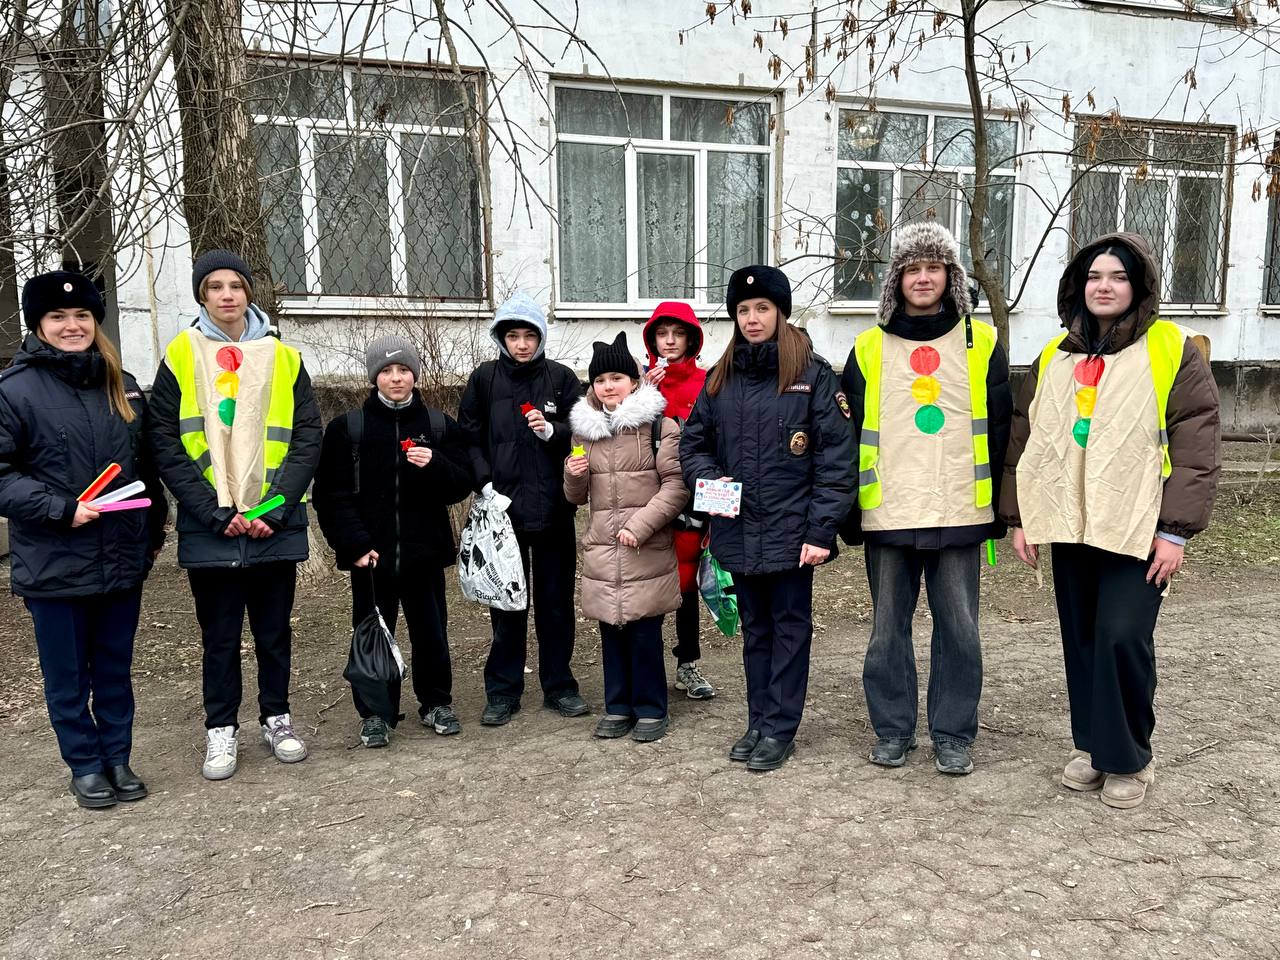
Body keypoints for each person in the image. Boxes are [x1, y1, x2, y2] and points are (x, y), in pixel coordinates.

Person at [1001, 232, 1220, 810]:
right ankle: (1094, 747)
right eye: (1095, 276)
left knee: (1122, 635)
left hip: (1136, 525)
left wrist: (1175, 531)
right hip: (1070, 522)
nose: (1104, 286)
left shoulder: (1171, 348)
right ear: (1079, 285)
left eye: (1118, 277)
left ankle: (1130, 758)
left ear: (1138, 285)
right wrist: (1021, 518)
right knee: (1082, 637)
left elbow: (1196, 442)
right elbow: (1026, 436)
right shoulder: (1056, 354)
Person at [839, 222, 1012, 776]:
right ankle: (893, 730)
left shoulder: (983, 343)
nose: (922, 278)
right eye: (911, 268)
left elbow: (1004, 429)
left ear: (950, 276)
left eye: (933, 267)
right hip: (887, 510)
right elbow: (847, 435)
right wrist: (849, 510)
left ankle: (953, 733)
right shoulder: (868, 347)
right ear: (896, 279)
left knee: (959, 629)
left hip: (962, 508)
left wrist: (1003, 509)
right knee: (886, 631)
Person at [149, 249, 322, 781]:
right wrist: (213, 512)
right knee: (219, 637)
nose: (227, 295)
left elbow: (306, 437)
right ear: (202, 296)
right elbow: (164, 438)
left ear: (249, 292)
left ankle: (277, 718)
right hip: (213, 524)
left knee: (274, 633)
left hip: (272, 523)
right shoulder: (181, 353)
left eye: (235, 285)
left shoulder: (284, 357)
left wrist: (274, 509)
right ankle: (221, 728)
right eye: (215, 286)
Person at [0, 271, 167, 808]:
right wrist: (61, 509)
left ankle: (117, 757)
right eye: (58, 317)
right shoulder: (13, 390)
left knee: (115, 670)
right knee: (68, 676)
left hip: (120, 557)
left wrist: (152, 535)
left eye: (82, 316)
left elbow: (145, 468)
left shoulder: (123, 383)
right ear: (38, 325)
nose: (72, 326)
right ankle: (86, 765)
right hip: (54, 562)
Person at [679, 265, 855, 771]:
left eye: (762, 308)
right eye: (743, 310)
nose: (752, 318)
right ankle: (758, 720)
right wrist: (711, 480)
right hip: (738, 527)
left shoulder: (813, 375)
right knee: (755, 629)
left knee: (789, 630)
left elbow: (836, 459)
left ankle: (781, 727)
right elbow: (693, 444)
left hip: (793, 533)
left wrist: (821, 530)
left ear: (780, 312)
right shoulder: (720, 379)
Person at [313, 335, 475, 748]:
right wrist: (353, 545)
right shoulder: (348, 429)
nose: (396, 378)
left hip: (425, 555)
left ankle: (436, 703)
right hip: (370, 557)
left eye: (403, 370)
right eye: (386, 371)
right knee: (372, 635)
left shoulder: (438, 426)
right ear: (374, 378)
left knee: (432, 634)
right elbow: (330, 496)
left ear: (415, 375)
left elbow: (462, 484)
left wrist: (435, 464)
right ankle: (375, 713)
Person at [457, 291, 588, 726]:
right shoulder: (484, 379)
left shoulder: (561, 378)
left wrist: (553, 431)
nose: (522, 344)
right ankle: (502, 690)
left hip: (553, 510)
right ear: (501, 338)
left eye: (529, 336)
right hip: (503, 514)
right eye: (513, 336)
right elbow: (468, 437)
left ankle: (560, 685)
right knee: (506, 603)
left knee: (555, 603)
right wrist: (484, 483)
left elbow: (582, 431)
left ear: (541, 338)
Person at [565, 333, 687, 742]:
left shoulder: (660, 427)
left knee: (644, 630)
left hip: (645, 545)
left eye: (616, 377)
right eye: (600, 380)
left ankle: (651, 708)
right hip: (603, 545)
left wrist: (640, 525)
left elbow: (676, 486)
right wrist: (572, 476)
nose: (608, 386)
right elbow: (576, 497)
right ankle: (617, 706)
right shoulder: (584, 432)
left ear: (634, 381)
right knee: (611, 629)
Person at [642, 302, 716, 701]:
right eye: (662, 333)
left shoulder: (708, 382)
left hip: (694, 496)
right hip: (648, 499)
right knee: (650, 581)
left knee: (687, 581)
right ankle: (649, 664)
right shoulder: (638, 382)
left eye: (678, 333)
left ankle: (688, 662)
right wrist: (643, 394)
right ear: (652, 339)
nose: (670, 341)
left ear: (691, 339)